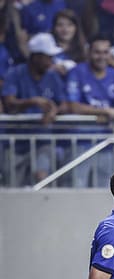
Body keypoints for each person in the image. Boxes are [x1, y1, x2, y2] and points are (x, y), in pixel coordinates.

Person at [1, 32, 68, 185]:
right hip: (15, 142)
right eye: (48, 57)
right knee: (13, 185)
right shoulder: (15, 73)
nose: (51, 60)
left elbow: (63, 104)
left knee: (42, 179)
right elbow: (9, 102)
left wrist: (53, 111)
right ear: (36, 57)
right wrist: (33, 102)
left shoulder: (52, 76)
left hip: (43, 140)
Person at [66, 34, 114, 187]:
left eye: (105, 52)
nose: (101, 56)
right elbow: (72, 106)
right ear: (88, 53)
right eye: (97, 52)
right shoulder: (77, 72)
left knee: (106, 190)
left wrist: (102, 112)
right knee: (77, 187)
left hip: (107, 142)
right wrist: (104, 112)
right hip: (80, 141)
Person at [50, 9, 86, 78]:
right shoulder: (46, 48)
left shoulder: (85, 49)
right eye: (60, 25)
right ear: (54, 28)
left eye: (70, 25)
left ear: (76, 27)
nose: (65, 29)